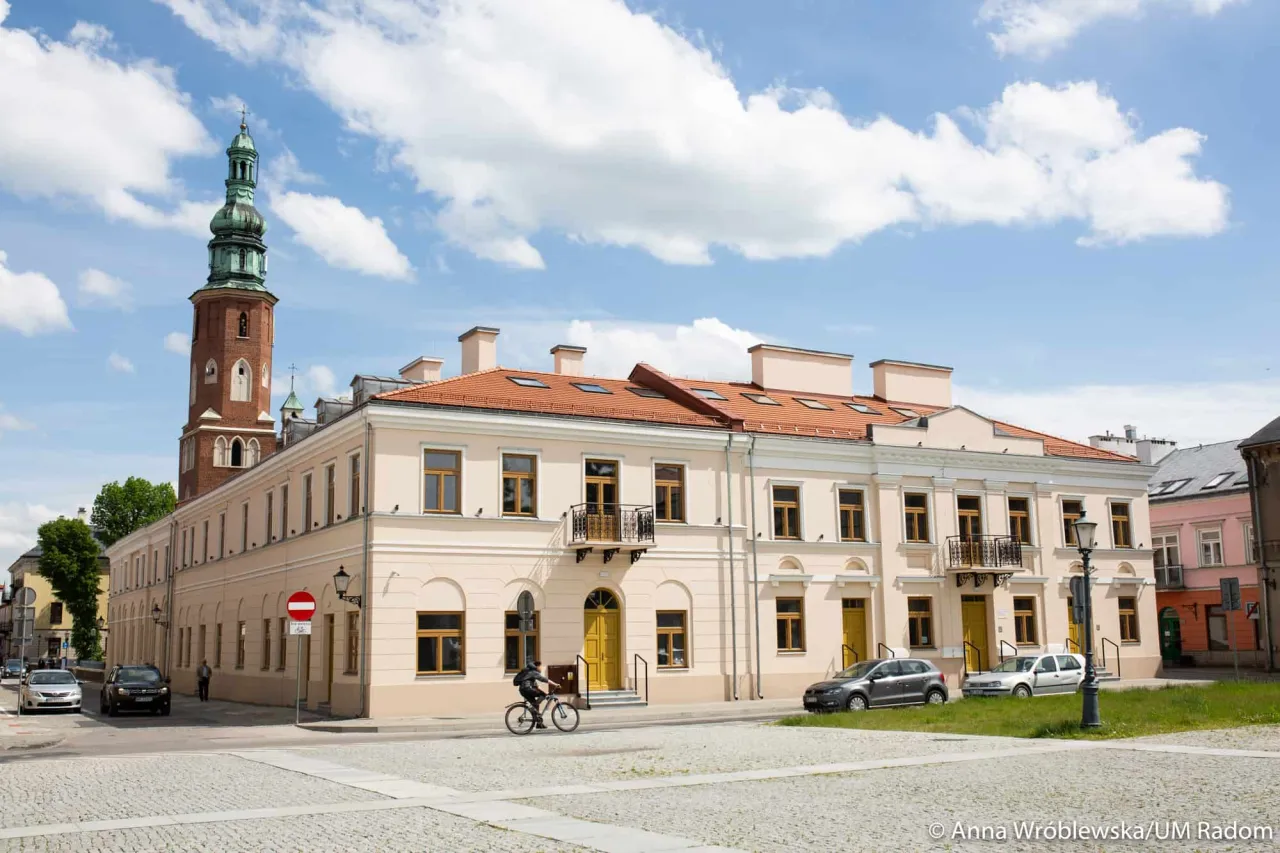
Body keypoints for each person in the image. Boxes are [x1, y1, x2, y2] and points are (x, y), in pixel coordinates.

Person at [513, 659, 559, 729]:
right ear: (537, 666)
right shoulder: (533, 672)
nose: (541, 668)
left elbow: (537, 687)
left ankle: (539, 723)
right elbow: (544, 679)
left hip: (523, 690)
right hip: (527, 689)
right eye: (541, 666)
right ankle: (534, 708)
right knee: (540, 699)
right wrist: (555, 684)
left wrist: (545, 692)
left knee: (536, 705)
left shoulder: (529, 673)